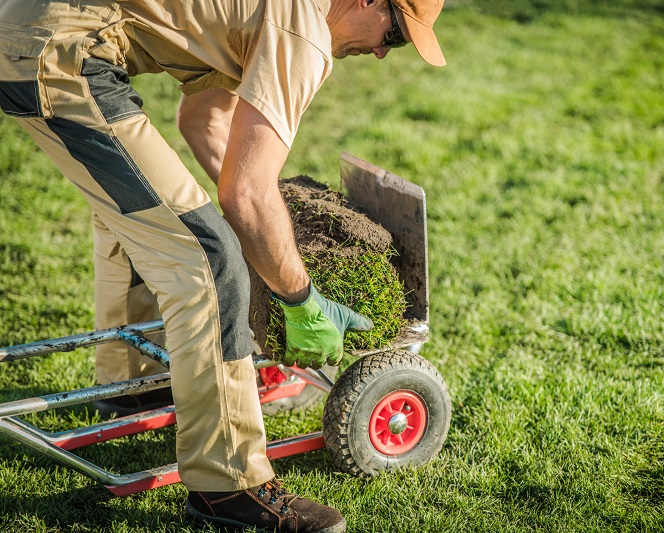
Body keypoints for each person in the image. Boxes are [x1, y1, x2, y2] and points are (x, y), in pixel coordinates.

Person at [0, 0, 446, 531]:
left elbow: (203, 119)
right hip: (61, 51)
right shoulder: (302, 29)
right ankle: (230, 484)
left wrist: (275, 226)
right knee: (209, 258)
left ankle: (134, 383)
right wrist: (300, 296)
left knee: (145, 216)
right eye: (392, 35)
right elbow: (246, 193)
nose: (379, 53)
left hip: (36, 33)